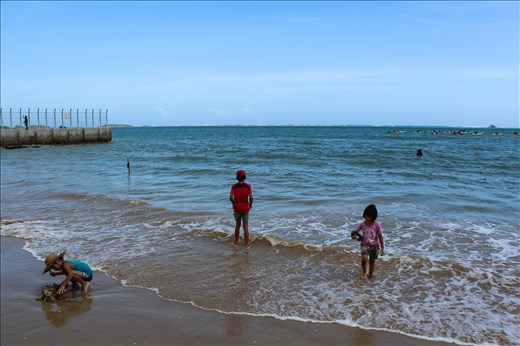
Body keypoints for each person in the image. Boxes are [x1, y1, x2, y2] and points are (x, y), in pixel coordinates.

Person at [351, 204, 384, 279]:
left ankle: (370, 275)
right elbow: (356, 232)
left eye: (369, 217)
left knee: (372, 262)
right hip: (364, 244)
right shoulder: (362, 224)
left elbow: (380, 236)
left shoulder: (377, 225)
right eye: (366, 216)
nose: (367, 218)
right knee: (364, 259)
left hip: (374, 246)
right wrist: (353, 236)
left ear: (373, 217)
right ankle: (364, 272)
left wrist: (382, 248)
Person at [229, 169, 253, 247]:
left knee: (237, 225)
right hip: (245, 208)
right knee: (245, 226)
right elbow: (251, 197)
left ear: (237, 177)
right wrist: (250, 205)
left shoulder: (234, 186)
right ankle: (246, 243)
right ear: (245, 177)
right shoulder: (248, 186)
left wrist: (234, 204)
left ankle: (236, 242)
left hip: (237, 208)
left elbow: (231, 198)